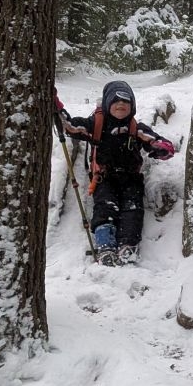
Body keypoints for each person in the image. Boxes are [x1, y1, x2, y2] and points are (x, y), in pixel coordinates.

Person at [54, 80, 175, 266]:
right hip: (104, 178)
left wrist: (162, 148)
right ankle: (105, 245)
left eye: (126, 103)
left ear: (132, 107)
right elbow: (70, 127)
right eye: (116, 101)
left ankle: (128, 244)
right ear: (107, 104)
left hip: (131, 178)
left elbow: (157, 141)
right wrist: (57, 108)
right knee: (104, 207)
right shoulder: (96, 125)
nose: (121, 105)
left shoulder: (136, 128)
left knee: (132, 209)